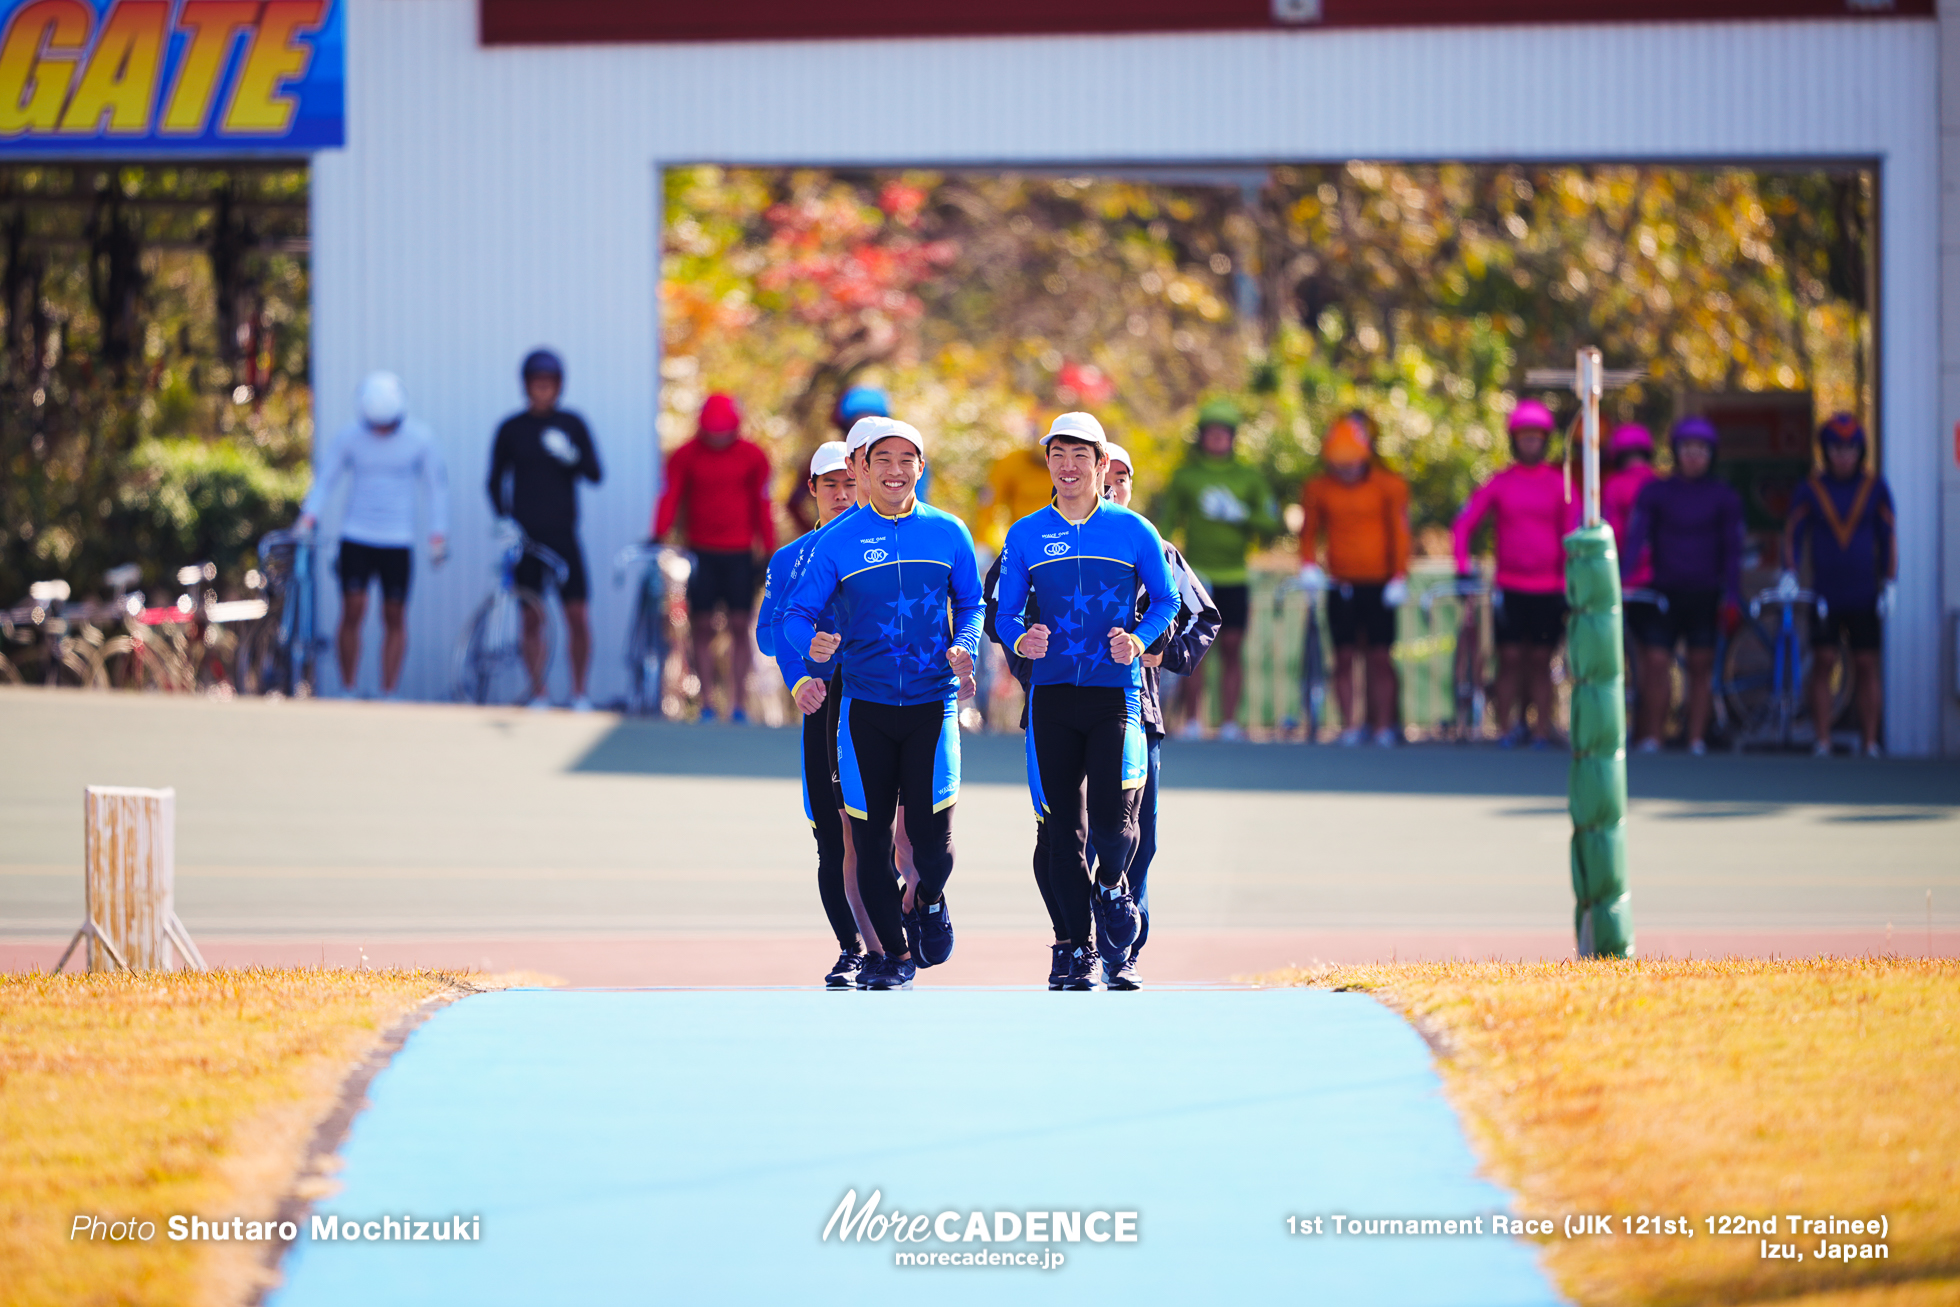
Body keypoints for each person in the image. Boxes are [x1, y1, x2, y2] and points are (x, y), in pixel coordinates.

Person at [781, 417, 982, 991]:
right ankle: (892, 956)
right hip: (863, 709)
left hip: (932, 706)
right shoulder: (836, 541)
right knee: (867, 841)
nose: (896, 472)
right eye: (883, 461)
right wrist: (810, 643)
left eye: (907, 461)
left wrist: (963, 646)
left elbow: (970, 604)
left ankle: (927, 901)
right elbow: (793, 616)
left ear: (921, 467)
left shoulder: (949, 533)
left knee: (932, 846)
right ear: (862, 469)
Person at [994, 413, 1179, 991]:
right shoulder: (1025, 534)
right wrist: (1020, 636)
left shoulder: (1134, 531)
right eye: (1058, 456)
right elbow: (1004, 612)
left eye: (1081, 456)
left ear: (1102, 465)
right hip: (1052, 700)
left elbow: (1168, 603)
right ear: (1048, 463)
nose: (1068, 467)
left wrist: (1140, 639)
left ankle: (1111, 888)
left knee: (1113, 825)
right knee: (1060, 833)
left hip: (1115, 699)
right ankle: (1074, 950)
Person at [1097, 442, 1219, 987]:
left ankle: (1124, 948)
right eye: (1108, 474)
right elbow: (1004, 607)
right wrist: (1032, 662)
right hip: (1063, 713)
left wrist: (1163, 653)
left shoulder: (1158, 550)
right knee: (1072, 834)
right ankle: (1076, 944)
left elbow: (1204, 617)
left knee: (1136, 835)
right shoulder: (1042, 541)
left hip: (1137, 713)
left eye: (1123, 477)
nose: (1112, 486)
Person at [757, 441, 867, 986]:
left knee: (882, 826)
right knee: (831, 831)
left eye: (850, 483)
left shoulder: (884, 543)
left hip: (880, 700)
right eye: (831, 486)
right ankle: (851, 948)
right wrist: (799, 678)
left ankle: (894, 931)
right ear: (813, 492)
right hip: (822, 702)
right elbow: (769, 630)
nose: (843, 495)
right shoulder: (791, 557)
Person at [298, 372, 449, 699]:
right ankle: (348, 688)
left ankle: (388, 690)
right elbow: (326, 479)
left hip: (398, 540)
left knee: (394, 614)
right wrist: (308, 517)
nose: (381, 431)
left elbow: (436, 488)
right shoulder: (349, 438)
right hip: (357, 536)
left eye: (388, 424)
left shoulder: (420, 439)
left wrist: (438, 535)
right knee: (353, 609)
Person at [1452, 398, 1576, 747]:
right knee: (1508, 658)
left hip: (1550, 588)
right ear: (1514, 440)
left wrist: (1570, 580)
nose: (1530, 443)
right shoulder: (1500, 482)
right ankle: (1506, 728)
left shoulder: (1558, 484)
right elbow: (1464, 525)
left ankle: (1540, 728)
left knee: (1540, 659)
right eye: (1524, 437)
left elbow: (1575, 532)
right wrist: (1463, 569)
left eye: (1537, 437)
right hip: (1509, 586)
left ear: (1545, 441)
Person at [1153, 398, 1279, 740]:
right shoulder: (1186, 476)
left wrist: (1241, 514)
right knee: (1196, 647)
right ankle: (1193, 721)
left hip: (1235, 576)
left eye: (1224, 433)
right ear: (1202, 437)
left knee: (1233, 647)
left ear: (1234, 437)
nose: (1218, 439)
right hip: (1198, 577)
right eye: (1211, 433)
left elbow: (1270, 523)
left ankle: (1229, 722)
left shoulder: (1248, 476)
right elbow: (1164, 525)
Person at [487, 349, 604, 710]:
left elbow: (595, 473)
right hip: (526, 539)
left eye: (549, 384)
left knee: (577, 615)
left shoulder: (573, 424)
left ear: (559, 386)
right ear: (526, 386)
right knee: (531, 616)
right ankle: (538, 692)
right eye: (537, 384)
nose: (543, 391)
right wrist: (503, 518)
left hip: (564, 535)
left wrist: (572, 456)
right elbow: (494, 481)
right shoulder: (511, 429)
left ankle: (580, 692)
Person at [1621, 417, 1744, 755]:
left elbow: (1733, 550)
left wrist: (1732, 595)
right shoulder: (1656, 492)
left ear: (1711, 454)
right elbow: (1635, 540)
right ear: (1676, 452)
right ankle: (1653, 738)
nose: (1693, 456)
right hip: (1664, 594)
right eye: (1687, 449)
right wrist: (1622, 581)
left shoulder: (1724, 496)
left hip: (1705, 595)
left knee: (1700, 667)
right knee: (1656, 664)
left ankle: (1695, 739)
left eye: (1701, 450)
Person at [652, 393, 776, 723]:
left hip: (739, 554)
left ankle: (738, 704)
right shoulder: (684, 455)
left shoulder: (753, 456)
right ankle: (707, 703)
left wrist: (769, 548)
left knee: (739, 625)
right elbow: (671, 494)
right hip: (701, 552)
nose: (718, 438)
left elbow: (762, 504)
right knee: (701, 625)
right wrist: (659, 531)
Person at [1783, 413, 1897, 757]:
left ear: (1860, 451)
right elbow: (1792, 534)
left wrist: (1891, 583)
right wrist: (1789, 572)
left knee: (1866, 664)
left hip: (1864, 593)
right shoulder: (1810, 488)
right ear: (1825, 450)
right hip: (1824, 593)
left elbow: (1889, 537)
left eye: (1850, 448)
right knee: (1823, 660)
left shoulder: (1875, 487)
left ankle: (1870, 741)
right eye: (1835, 448)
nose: (1843, 455)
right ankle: (1822, 740)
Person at [1297, 411, 1412, 747]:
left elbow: (1400, 534)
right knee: (1344, 655)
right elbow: (1309, 532)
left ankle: (1383, 726)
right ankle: (1350, 725)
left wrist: (1400, 576)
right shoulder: (1318, 488)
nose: (1345, 470)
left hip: (1380, 585)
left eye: (1351, 463)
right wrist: (1308, 565)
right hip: (1340, 584)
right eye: (1339, 464)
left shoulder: (1390, 485)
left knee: (1380, 656)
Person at [1601, 424, 1660, 727]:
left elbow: (1613, 534)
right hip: (1659, 585)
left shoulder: (1615, 486)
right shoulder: (1661, 482)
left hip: (1625, 585)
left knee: (1621, 659)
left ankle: (1623, 727)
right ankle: (1651, 730)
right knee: (1656, 659)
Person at [976, 421, 1060, 552]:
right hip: (1023, 542)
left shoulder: (1072, 466)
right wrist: (981, 543)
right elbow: (988, 503)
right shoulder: (1011, 463)